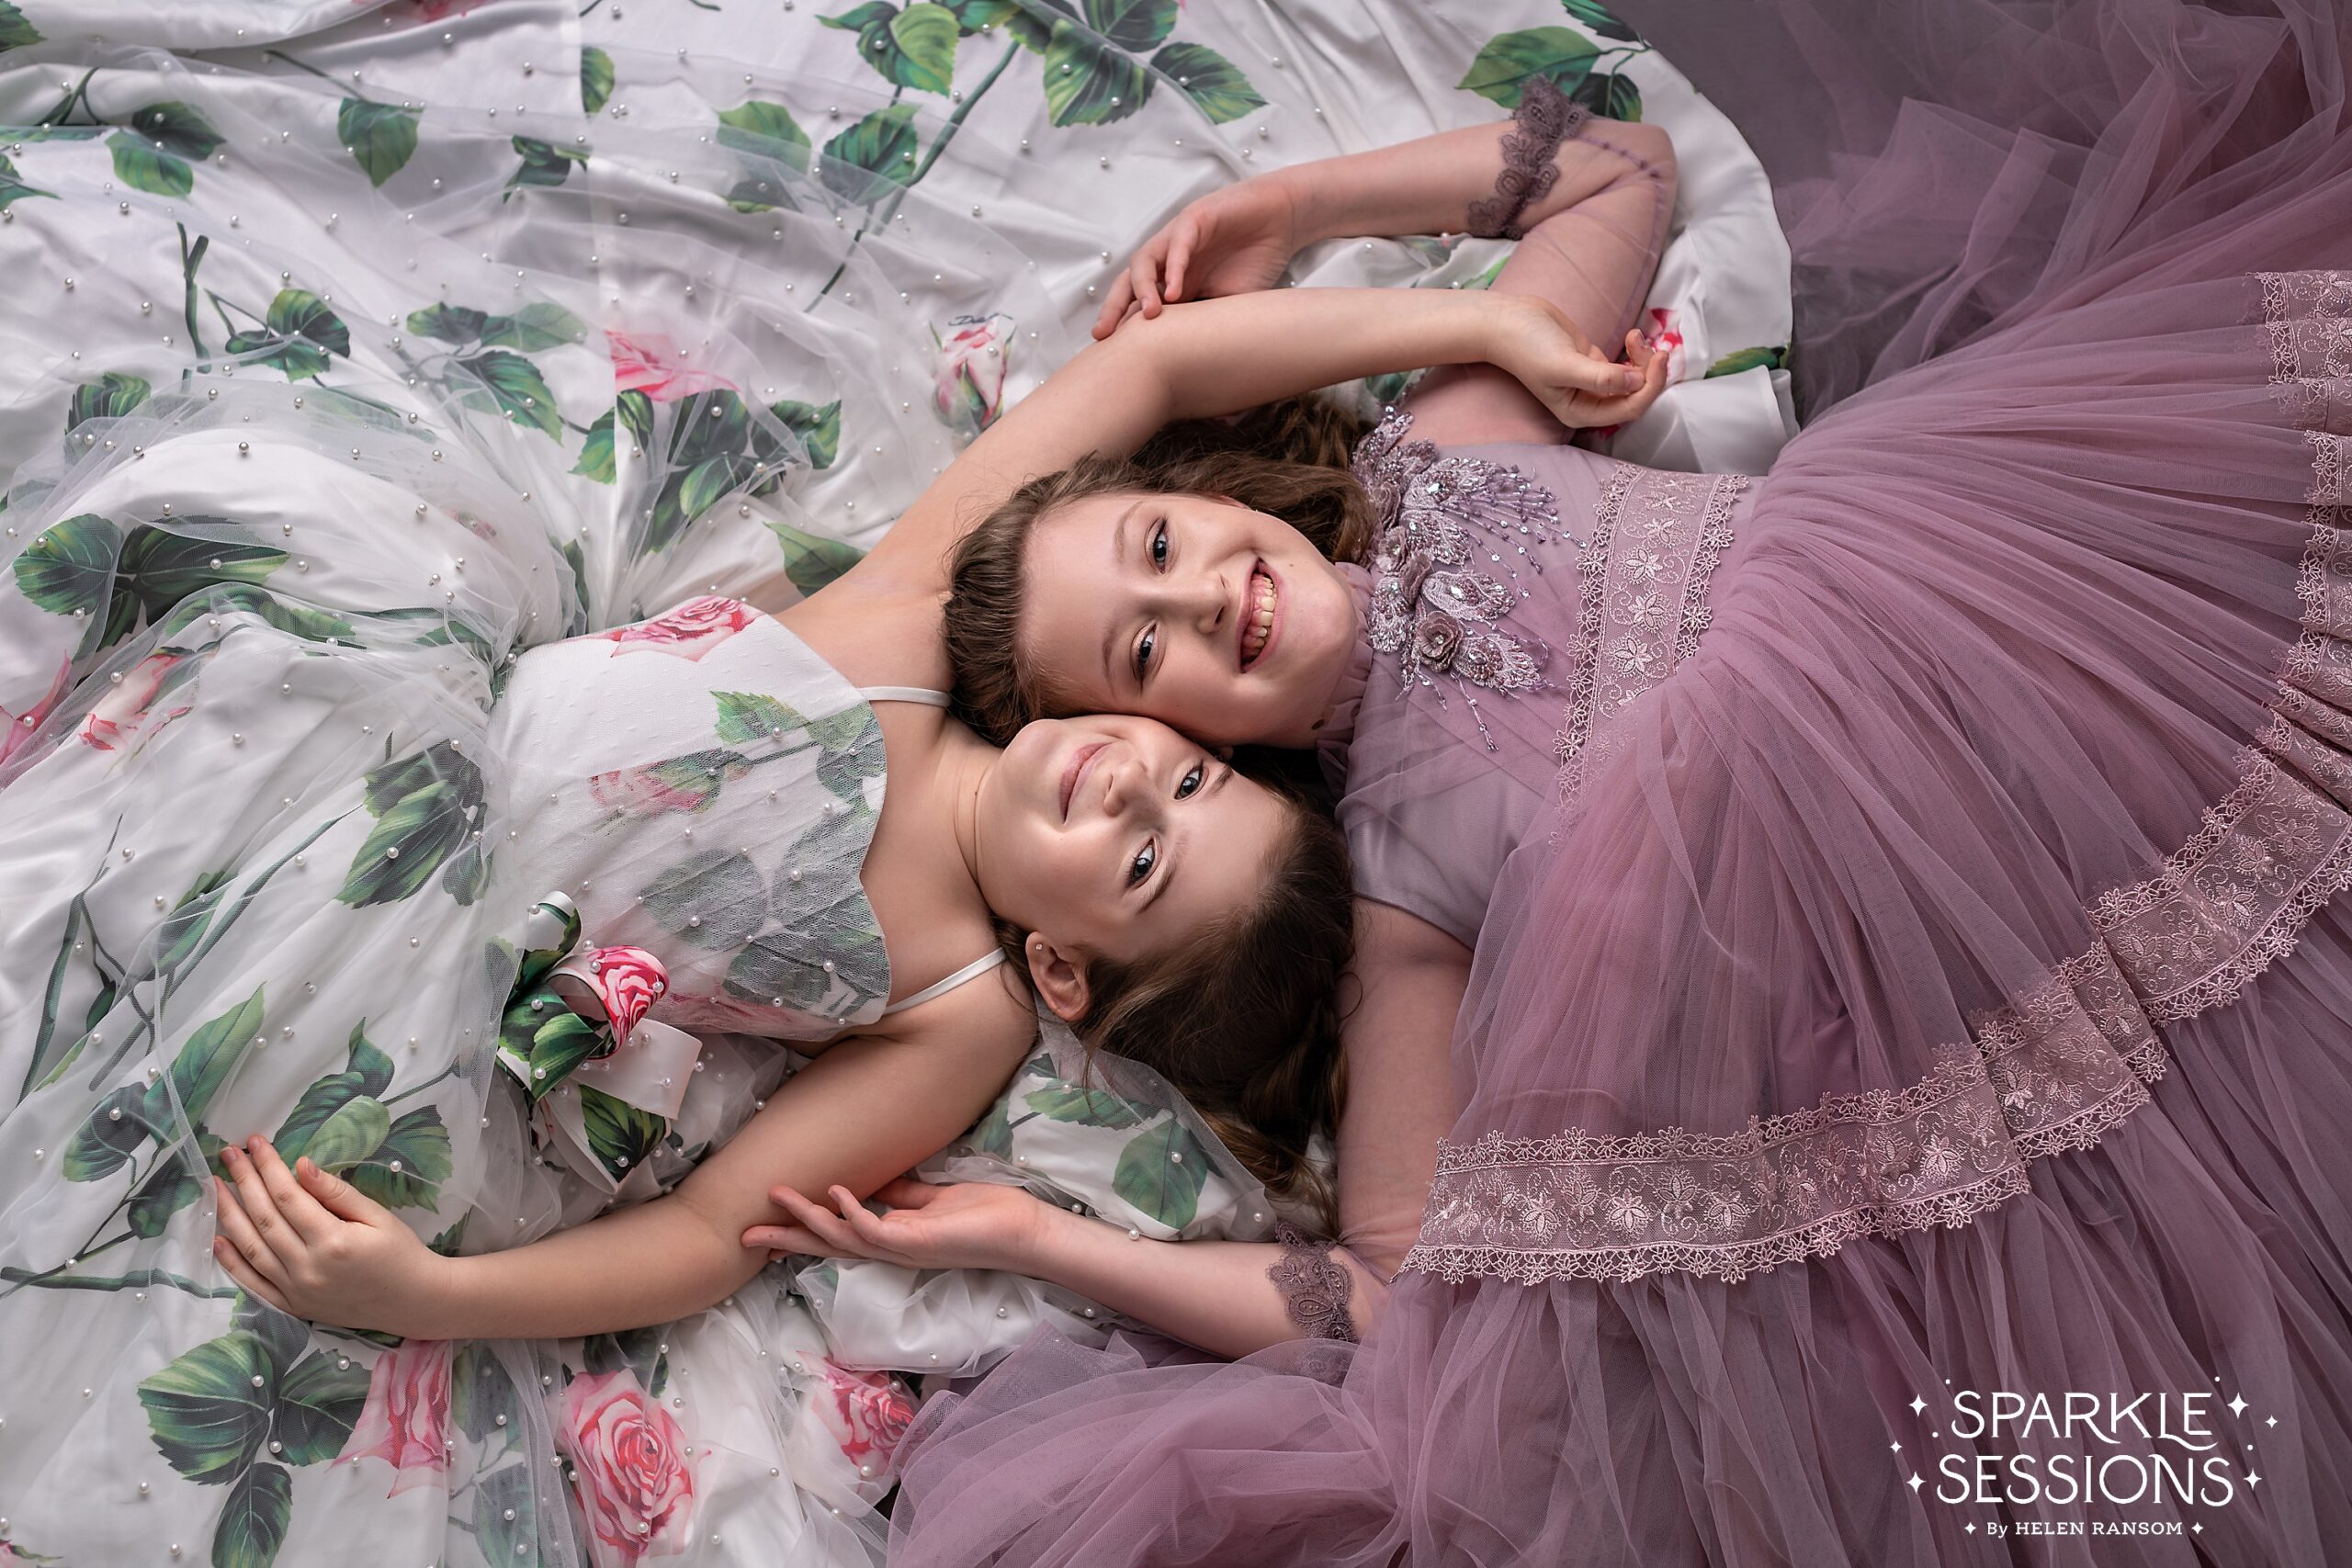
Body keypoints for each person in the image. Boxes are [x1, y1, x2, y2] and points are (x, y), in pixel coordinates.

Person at [768, 2, 2352, 1562]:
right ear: (1180, 743)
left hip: (2011, 614)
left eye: (1161, 544)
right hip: (1973, 906)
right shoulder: (1397, 901)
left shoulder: (1449, 438)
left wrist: (1288, 208)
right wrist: (1046, 1239)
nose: (1194, 601)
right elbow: (1385, 1299)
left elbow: (1617, 169)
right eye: (1139, 652)